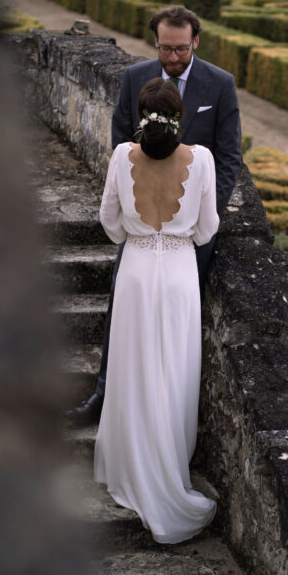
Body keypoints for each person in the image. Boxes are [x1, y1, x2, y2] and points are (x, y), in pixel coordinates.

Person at [66, 4, 242, 425]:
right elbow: (121, 143)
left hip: (187, 236)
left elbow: (229, 158)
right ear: (156, 41)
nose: (173, 57)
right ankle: (105, 396)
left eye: (181, 49)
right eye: (165, 48)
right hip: (141, 230)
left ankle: (167, 416)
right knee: (123, 318)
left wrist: (198, 218)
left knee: (176, 330)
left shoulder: (220, 84)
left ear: (195, 41)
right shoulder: (134, 77)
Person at [94, 77, 219, 543]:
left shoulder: (121, 156)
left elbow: (109, 222)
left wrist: (138, 235)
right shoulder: (202, 160)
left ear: (140, 117)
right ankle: (168, 464)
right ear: (179, 116)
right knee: (173, 371)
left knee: (134, 368)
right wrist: (176, 236)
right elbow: (207, 229)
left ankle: (131, 462)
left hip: (136, 273)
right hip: (180, 277)